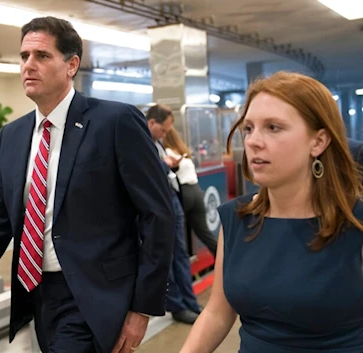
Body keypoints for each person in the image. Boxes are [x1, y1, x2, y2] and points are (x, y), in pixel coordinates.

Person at [0, 16, 176, 353]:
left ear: (71, 65)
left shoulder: (115, 122)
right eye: (24, 57)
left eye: (42, 56)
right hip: (34, 296)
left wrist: (142, 306)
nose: (28, 65)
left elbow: (158, 215)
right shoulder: (13, 136)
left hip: (94, 295)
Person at [180, 71, 363, 353]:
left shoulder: (355, 222)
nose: (253, 141)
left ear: (319, 141)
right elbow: (218, 312)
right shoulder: (236, 217)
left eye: (273, 127)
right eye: (249, 128)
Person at [146, 105, 201, 325]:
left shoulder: (158, 143)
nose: (166, 134)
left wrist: (171, 166)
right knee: (167, 257)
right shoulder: (141, 142)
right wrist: (164, 165)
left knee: (180, 255)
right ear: (151, 123)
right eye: (164, 129)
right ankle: (177, 305)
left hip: (172, 200)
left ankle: (191, 302)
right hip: (158, 206)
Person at [163, 125, 218, 256]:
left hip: (184, 192)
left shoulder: (167, 153)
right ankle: (225, 261)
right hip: (197, 191)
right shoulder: (184, 151)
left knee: (176, 234)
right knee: (204, 233)